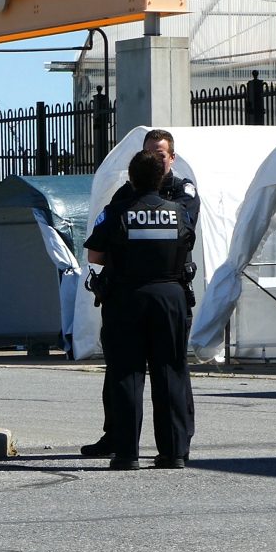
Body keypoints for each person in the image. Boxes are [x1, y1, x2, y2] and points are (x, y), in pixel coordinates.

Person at [81, 128, 199, 459]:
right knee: (171, 372)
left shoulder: (119, 209)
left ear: (131, 176)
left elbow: (95, 255)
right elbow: (186, 242)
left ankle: (125, 453)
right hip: (170, 295)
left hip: (127, 297)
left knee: (127, 373)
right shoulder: (178, 211)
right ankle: (174, 452)